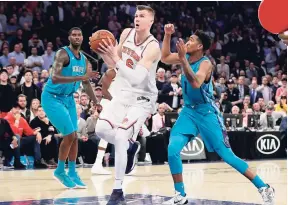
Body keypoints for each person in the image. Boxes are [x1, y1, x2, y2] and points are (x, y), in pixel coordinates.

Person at [161, 24, 275, 205]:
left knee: (227, 155)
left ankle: (264, 187)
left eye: (191, 40)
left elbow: (196, 83)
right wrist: (167, 35)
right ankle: (180, 194)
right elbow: (165, 57)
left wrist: (183, 60)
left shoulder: (206, 63)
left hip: (207, 113)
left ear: (199, 47)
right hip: (188, 112)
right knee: (173, 149)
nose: (187, 41)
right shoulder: (186, 57)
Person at [93, 5, 161, 204]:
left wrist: (115, 58)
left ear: (151, 21)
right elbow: (115, 64)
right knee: (101, 129)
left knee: (121, 135)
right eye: (136, 15)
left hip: (141, 97)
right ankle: (131, 147)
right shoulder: (126, 33)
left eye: (142, 16)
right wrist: (104, 51)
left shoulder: (152, 47)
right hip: (121, 90)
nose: (137, 18)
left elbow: (137, 78)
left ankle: (117, 190)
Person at [41, 27, 97, 189]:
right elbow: (55, 77)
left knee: (75, 137)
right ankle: (59, 171)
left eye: (79, 34)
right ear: (69, 37)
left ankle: (72, 172)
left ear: (82, 38)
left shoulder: (84, 60)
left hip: (69, 99)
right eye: (74, 34)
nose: (77, 37)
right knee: (70, 135)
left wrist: (95, 101)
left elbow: (86, 83)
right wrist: (82, 77)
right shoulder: (62, 54)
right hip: (52, 98)